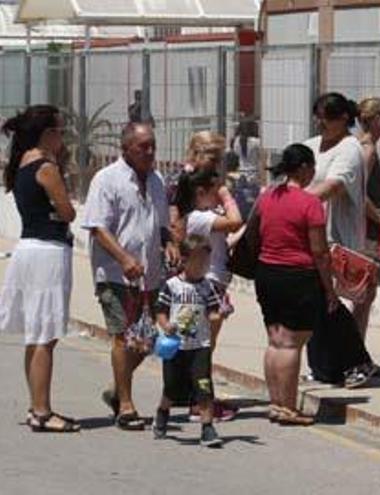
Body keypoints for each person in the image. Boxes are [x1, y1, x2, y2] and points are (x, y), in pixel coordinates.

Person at [82, 122, 178, 431]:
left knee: (147, 340)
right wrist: (123, 258)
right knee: (123, 336)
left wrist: (170, 243)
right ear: (125, 149)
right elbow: (97, 226)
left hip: (148, 274)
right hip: (114, 273)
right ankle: (125, 405)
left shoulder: (156, 180)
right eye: (143, 147)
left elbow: (162, 224)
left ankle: (116, 388)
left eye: (152, 145)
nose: (150, 152)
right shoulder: (106, 179)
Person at [0, 105, 79, 432]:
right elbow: (68, 212)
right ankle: (43, 410)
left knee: (36, 335)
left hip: (29, 248)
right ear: (47, 134)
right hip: (48, 251)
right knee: (45, 335)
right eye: (59, 131)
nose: (63, 137)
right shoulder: (46, 167)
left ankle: (37, 406)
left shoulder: (22, 163)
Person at [255, 144, 338, 426]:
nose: (314, 172)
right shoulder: (309, 203)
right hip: (298, 276)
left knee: (275, 340)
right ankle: (288, 407)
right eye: (312, 167)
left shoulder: (268, 197)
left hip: (267, 273)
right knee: (291, 345)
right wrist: (329, 288)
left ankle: (276, 403)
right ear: (303, 168)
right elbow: (319, 252)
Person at [305, 93, 376, 352]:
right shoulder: (311, 146)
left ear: (344, 118)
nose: (321, 123)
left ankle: (352, 358)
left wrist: (291, 201)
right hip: (310, 238)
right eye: (318, 117)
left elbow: (332, 186)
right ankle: (325, 360)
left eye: (327, 118)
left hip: (341, 242)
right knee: (319, 302)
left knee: (351, 301)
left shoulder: (350, 148)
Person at [175, 167, 244, 422]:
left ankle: (201, 400)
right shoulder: (199, 217)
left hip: (214, 284)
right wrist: (227, 196)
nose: (219, 196)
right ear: (201, 192)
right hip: (208, 285)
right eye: (215, 191)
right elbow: (235, 220)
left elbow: (227, 238)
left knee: (205, 347)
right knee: (203, 349)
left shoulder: (201, 217)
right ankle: (199, 404)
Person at [153, 234, 224, 448]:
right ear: (185, 260)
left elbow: (213, 311)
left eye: (206, 262)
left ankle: (207, 427)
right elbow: (160, 311)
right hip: (176, 345)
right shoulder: (172, 286)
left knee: (204, 386)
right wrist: (166, 326)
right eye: (199, 261)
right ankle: (163, 412)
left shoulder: (208, 287)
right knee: (172, 387)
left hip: (199, 346)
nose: (203, 266)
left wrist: (217, 316)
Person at [356, 97, 380, 259]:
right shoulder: (368, 150)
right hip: (369, 234)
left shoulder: (374, 150)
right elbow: (357, 192)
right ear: (378, 120)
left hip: (375, 231)